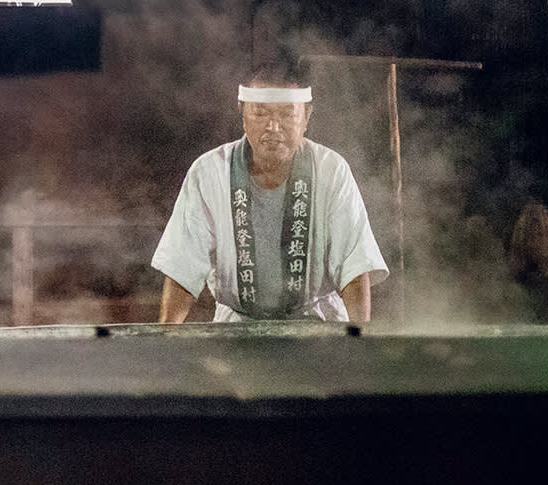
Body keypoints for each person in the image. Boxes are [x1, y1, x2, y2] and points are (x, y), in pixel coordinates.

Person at [152, 74, 387, 322]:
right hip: (238, 329)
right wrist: (167, 340)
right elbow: (183, 264)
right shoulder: (209, 172)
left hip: (318, 324)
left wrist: (361, 344)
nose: (273, 127)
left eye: (286, 114)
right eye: (261, 114)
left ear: (306, 117)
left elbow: (354, 264)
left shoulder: (331, 170)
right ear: (243, 115)